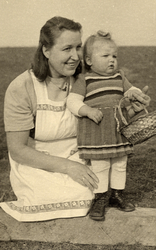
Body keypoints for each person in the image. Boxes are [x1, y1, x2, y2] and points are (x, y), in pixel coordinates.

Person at [0, 16, 100, 222]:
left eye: (78, 47)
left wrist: (127, 110)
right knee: (71, 195)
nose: (75, 56)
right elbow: (18, 150)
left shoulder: (85, 82)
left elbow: (100, 122)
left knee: (95, 187)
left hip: (79, 155)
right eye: (67, 49)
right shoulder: (23, 87)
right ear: (46, 51)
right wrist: (68, 168)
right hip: (38, 161)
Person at [67, 31, 150, 221]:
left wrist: (138, 95)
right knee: (101, 165)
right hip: (96, 132)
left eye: (114, 56)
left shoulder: (119, 77)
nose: (112, 60)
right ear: (88, 60)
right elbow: (72, 101)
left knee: (120, 163)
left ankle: (117, 195)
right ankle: (100, 197)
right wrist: (86, 110)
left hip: (118, 130)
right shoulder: (85, 80)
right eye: (105, 56)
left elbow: (131, 90)